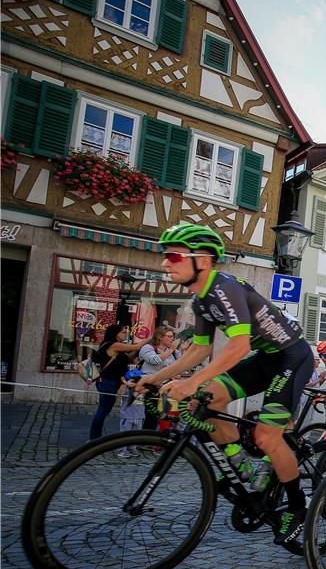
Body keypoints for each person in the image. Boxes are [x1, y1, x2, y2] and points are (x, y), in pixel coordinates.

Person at [134, 223, 312, 546]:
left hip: (292, 356)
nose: (165, 263)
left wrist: (190, 383)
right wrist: (157, 377)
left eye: (173, 256)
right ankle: (242, 465)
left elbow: (239, 345)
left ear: (202, 260)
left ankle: (298, 508)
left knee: (267, 435)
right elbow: (200, 349)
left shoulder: (224, 287)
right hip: (265, 357)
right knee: (204, 400)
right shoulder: (202, 300)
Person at [88, 323, 144, 440]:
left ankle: (95, 437)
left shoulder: (117, 346)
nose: (126, 334)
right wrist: (150, 338)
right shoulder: (113, 345)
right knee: (103, 410)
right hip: (108, 382)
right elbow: (135, 347)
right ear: (116, 334)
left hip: (113, 381)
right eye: (123, 332)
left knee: (105, 410)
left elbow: (128, 357)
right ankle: (93, 438)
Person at [136, 326, 182, 432]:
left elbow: (181, 364)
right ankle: (137, 441)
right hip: (147, 386)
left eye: (173, 337)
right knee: (142, 415)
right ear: (160, 337)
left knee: (158, 416)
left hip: (164, 388)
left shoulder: (174, 352)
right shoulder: (148, 348)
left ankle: (148, 442)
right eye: (169, 336)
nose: (172, 339)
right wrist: (171, 350)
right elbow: (154, 360)